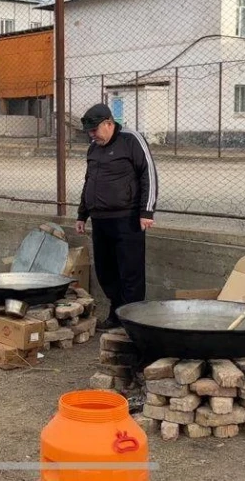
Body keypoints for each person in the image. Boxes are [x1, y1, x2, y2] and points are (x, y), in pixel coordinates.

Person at [73, 103, 158, 331]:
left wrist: (146, 211)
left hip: (127, 219)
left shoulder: (131, 140)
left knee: (130, 272)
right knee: (106, 271)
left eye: (94, 130)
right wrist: (82, 214)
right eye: (89, 132)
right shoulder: (94, 148)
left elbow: (148, 174)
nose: (92, 135)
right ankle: (116, 313)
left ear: (109, 124)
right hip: (100, 220)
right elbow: (89, 181)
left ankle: (132, 321)